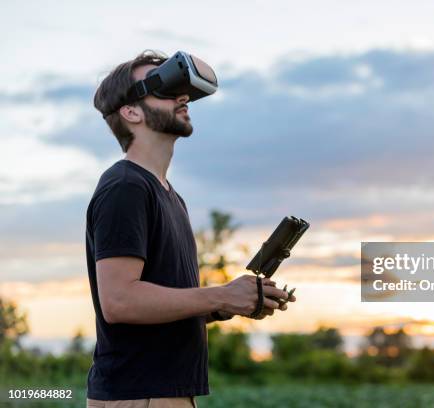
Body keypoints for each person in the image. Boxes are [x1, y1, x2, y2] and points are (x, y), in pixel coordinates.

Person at [85, 50, 294, 408]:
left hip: (167, 394)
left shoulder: (170, 197)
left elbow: (162, 305)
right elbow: (119, 301)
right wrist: (219, 294)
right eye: (164, 87)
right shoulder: (125, 186)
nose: (182, 96)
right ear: (131, 112)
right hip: (139, 396)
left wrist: (230, 304)